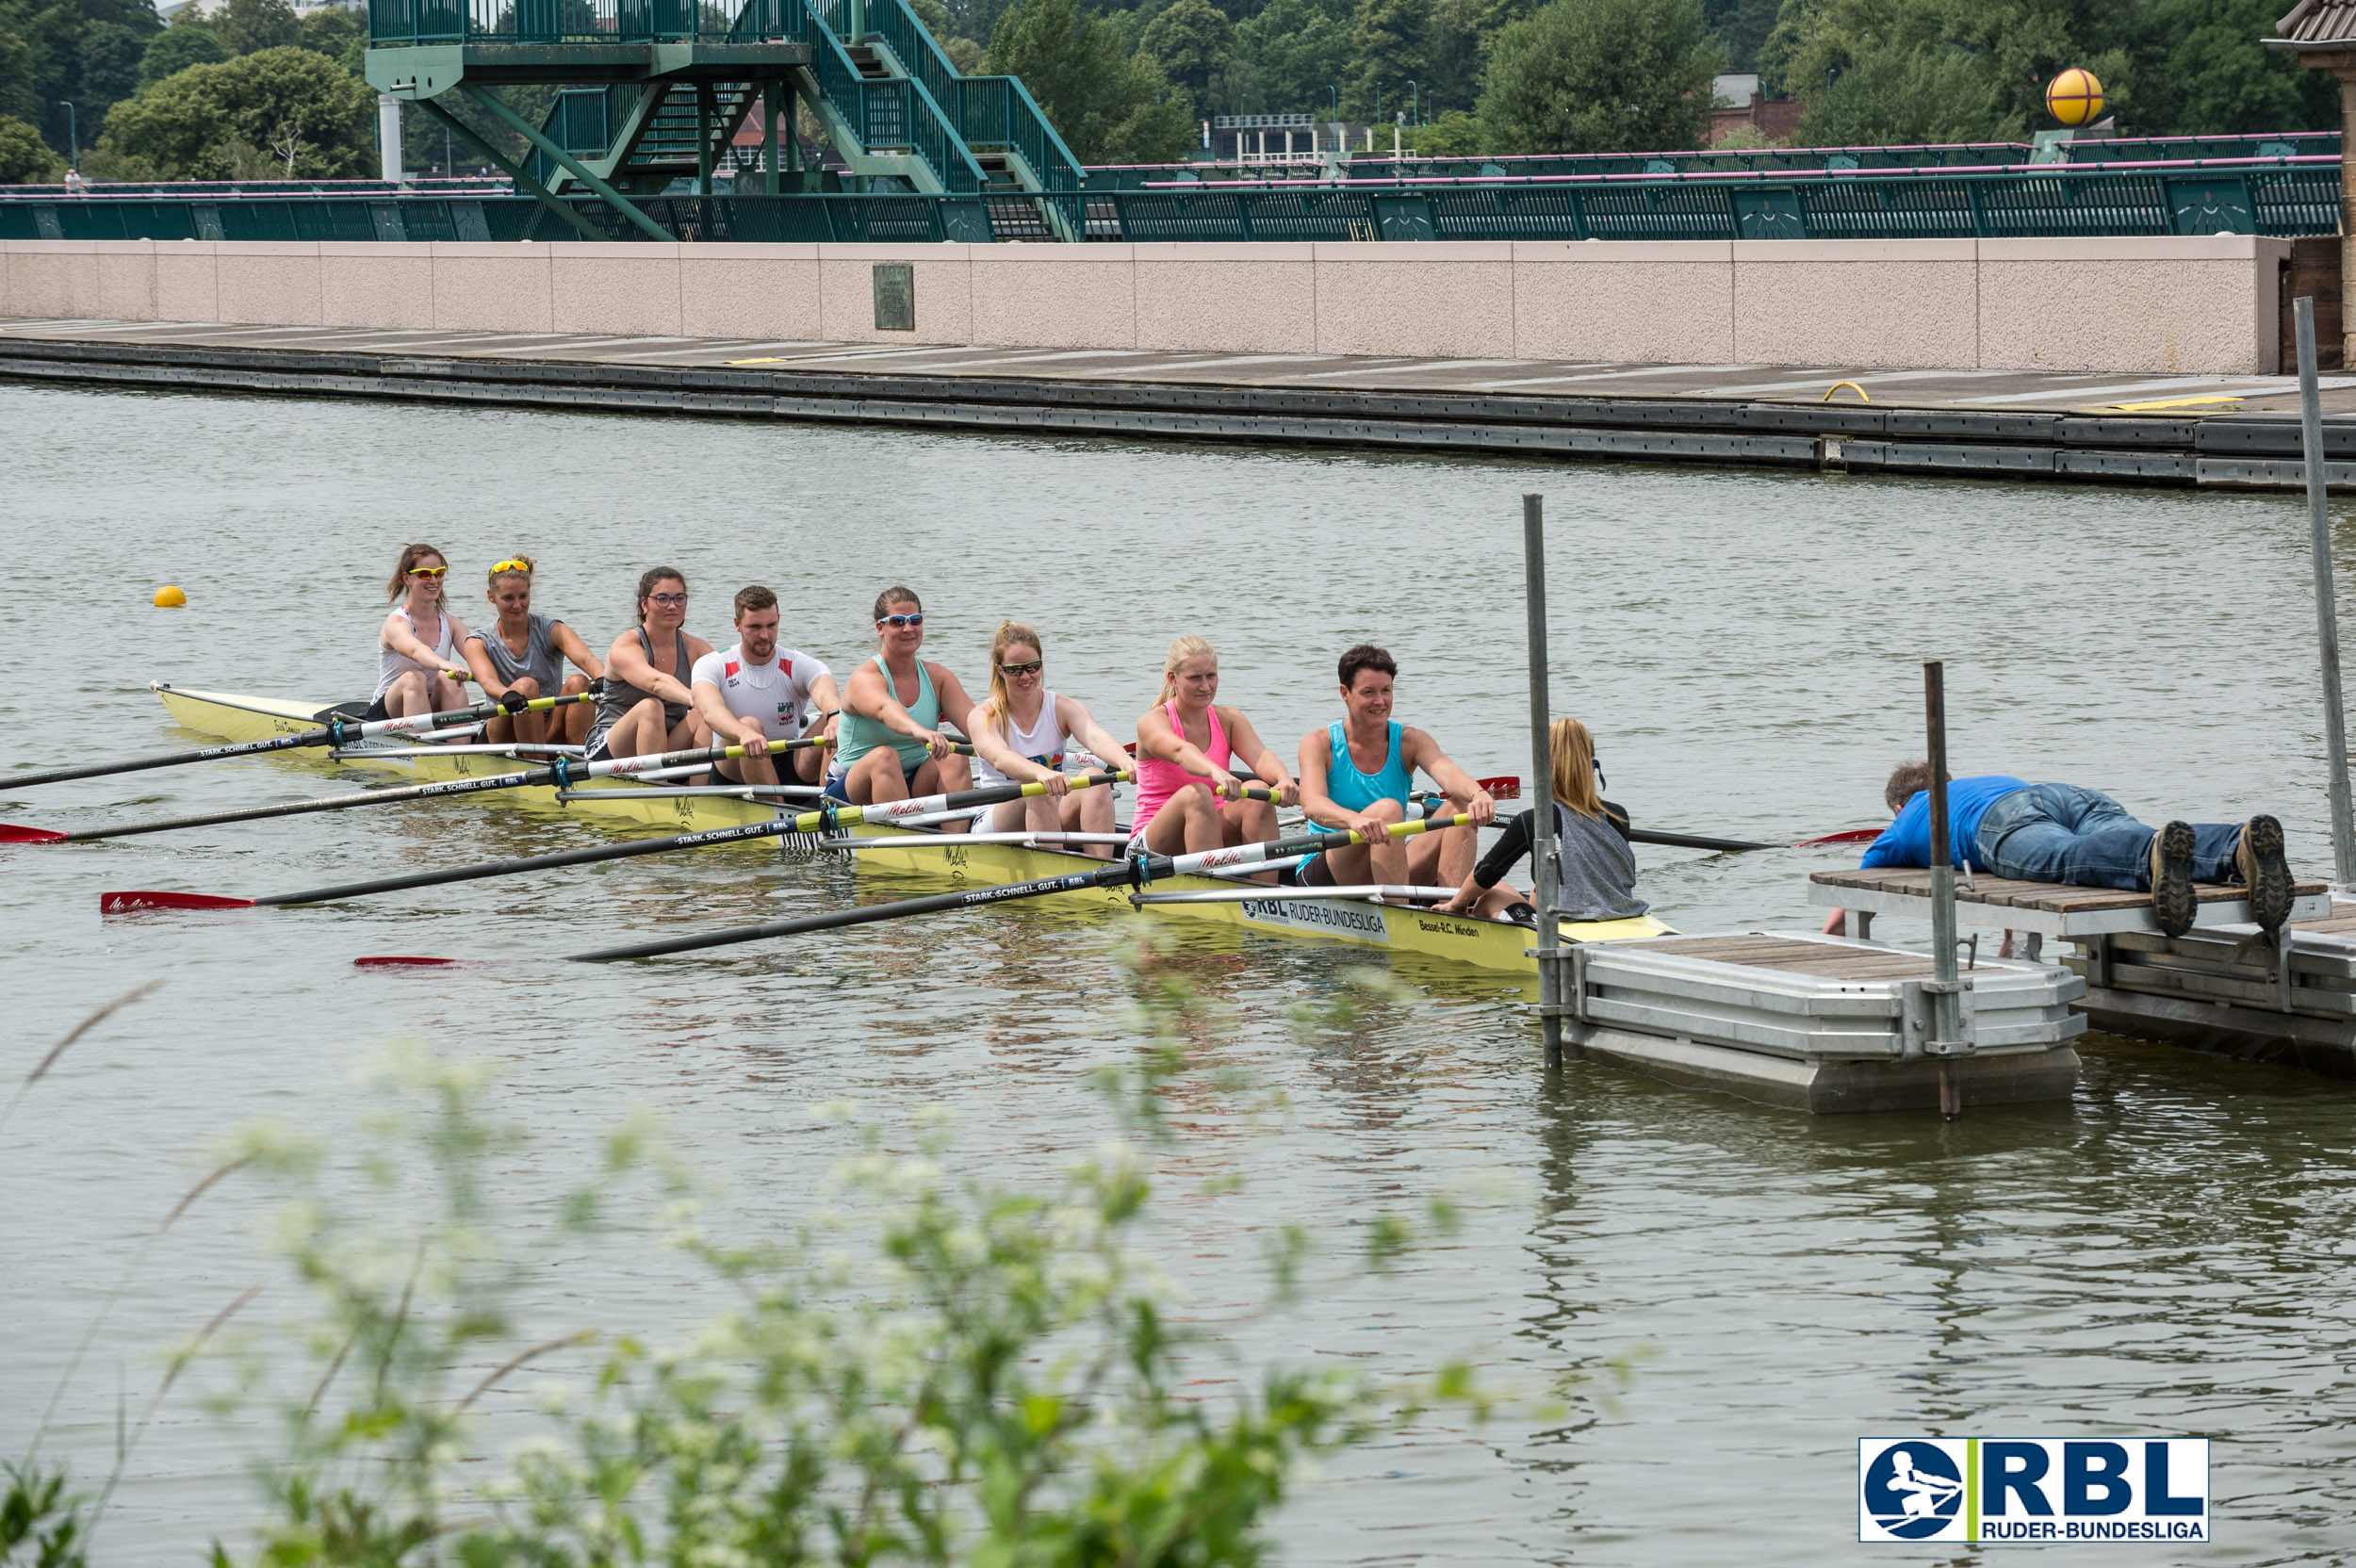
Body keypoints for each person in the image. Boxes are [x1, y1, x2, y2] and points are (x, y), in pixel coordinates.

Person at [1822, 762, 2293, 939]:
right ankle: (2235, 847)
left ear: (1900, 805)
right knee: (2140, 843)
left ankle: (2149, 861)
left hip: (2000, 823)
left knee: (2068, 859)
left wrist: (1825, 939)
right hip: (2061, 793)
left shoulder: (1906, 819)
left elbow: (1855, 892)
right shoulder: (1976, 781)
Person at [1295, 644, 1496, 889]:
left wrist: (1478, 794)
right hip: (1329, 864)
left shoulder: (1410, 741)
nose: (1380, 701)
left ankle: (1451, 909)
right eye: (1368, 692)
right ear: (1344, 693)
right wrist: (1354, 820)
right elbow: (1312, 805)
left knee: (1461, 806)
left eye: (1386, 690)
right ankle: (1399, 911)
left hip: (1388, 853)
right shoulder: (1319, 743)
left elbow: (1447, 772)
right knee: (1388, 810)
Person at [1437, 717, 1649, 924]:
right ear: (1592, 764)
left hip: (1568, 922)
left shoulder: (1535, 820)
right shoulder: (1618, 816)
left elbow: (1487, 872)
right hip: (1626, 914)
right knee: (1540, 885)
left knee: (1491, 893)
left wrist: (1455, 905)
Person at [964, 621, 1134, 858]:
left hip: (1051, 809)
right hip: (997, 822)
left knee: (1095, 778)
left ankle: (1102, 869)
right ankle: (1053, 872)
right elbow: (1000, 758)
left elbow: (1094, 737)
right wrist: (1040, 772)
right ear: (1000, 669)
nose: (1026, 676)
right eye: (1015, 669)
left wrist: (1126, 762)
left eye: (1033, 667)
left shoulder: (1061, 707)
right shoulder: (983, 716)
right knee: (1036, 788)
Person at [1130, 634, 1298, 858]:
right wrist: (1215, 771)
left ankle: (1266, 890)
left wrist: (1283, 778)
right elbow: (1181, 752)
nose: (1205, 686)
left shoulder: (1229, 718)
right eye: (1195, 678)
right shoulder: (1152, 722)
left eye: (1211, 676)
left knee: (1258, 790)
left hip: (1211, 830)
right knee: (1197, 794)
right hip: (1150, 844)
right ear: (1173, 678)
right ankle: (1213, 885)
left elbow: (1260, 755)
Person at [826, 585, 975, 805]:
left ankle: (956, 838)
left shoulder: (939, 677)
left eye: (915, 620)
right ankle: (903, 835)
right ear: (880, 627)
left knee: (955, 756)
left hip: (913, 779)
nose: (908, 628)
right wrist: (918, 730)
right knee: (884, 757)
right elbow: (885, 710)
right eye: (898, 621)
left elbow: (976, 724)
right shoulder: (865, 677)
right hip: (851, 789)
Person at [690, 584, 841, 791]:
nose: (764, 635)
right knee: (751, 724)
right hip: (734, 767)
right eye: (755, 627)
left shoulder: (796, 663)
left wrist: (835, 715)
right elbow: (710, 711)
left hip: (788, 761)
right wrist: (743, 731)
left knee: (837, 716)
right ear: (737, 624)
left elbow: (825, 689)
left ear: (779, 619)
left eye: (771, 625)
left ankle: (828, 804)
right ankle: (778, 809)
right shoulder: (713, 664)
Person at [461, 556, 604, 748]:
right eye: (508, 598)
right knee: (525, 686)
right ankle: (537, 763)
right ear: (491, 596)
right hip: (504, 728)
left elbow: (587, 659)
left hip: (548, 725)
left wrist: (602, 678)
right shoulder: (478, 641)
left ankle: (579, 762)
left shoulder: (551, 629)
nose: (517, 605)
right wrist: (506, 694)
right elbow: (488, 683)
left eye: (523, 597)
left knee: (579, 682)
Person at [584, 567, 711, 763]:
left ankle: (701, 789)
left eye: (679, 598)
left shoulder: (696, 648)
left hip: (666, 742)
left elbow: (726, 681)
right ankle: (654, 786)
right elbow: (656, 683)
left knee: (707, 714)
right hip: (612, 745)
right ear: (644, 604)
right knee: (651, 708)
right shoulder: (626, 646)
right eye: (662, 599)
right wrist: (695, 698)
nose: (672, 606)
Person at [370, 543, 471, 722]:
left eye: (438, 573)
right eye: (425, 574)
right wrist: (445, 664)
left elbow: (479, 656)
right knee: (414, 679)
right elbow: (416, 651)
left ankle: (459, 747)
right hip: (388, 713)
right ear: (407, 578)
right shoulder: (396, 622)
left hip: (430, 705)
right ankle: (424, 745)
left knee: (450, 679)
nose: (433, 580)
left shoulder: (452, 623)